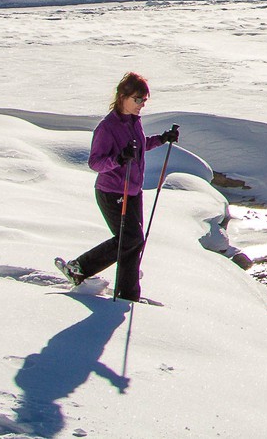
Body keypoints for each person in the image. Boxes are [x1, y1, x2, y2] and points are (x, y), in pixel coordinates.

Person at [54, 72, 178, 301]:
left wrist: (162, 139)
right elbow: (95, 162)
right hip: (111, 192)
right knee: (129, 239)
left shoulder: (133, 122)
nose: (141, 105)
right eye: (137, 99)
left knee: (133, 242)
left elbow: (138, 148)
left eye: (144, 101)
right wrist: (118, 159)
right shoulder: (107, 127)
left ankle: (127, 295)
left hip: (132, 191)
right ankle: (79, 267)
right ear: (123, 97)